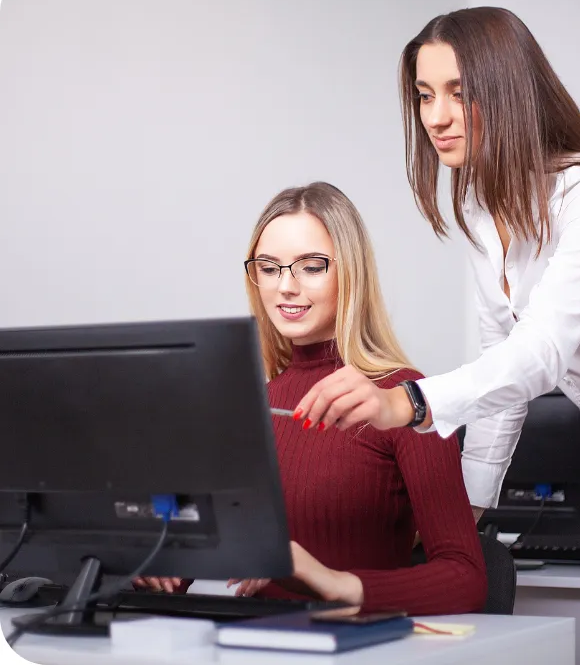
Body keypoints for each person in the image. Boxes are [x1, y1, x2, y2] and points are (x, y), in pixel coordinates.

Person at [294, 8, 580, 664]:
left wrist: (411, 402)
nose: (436, 116)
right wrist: (471, 510)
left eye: (459, 91)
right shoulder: (480, 204)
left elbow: (541, 355)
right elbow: (502, 364)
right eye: (425, 95)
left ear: (507, 88)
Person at [135, 181, 487, 616]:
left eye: (311, 266)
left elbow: (466, 578)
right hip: (253, 644)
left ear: (350, 272)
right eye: (269, 267)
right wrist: (156, 567)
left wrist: (335, 583)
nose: (286, 287)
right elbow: (193, 554)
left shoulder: (403, 399)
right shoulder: (250, 406)